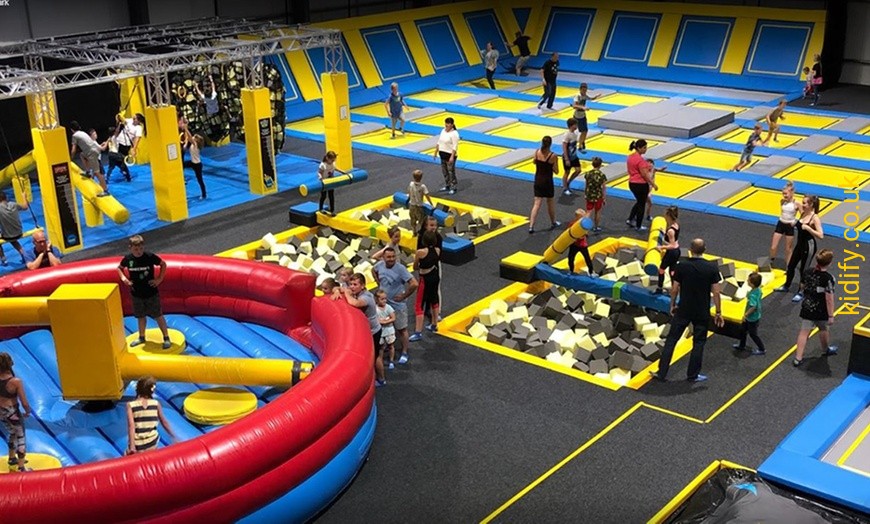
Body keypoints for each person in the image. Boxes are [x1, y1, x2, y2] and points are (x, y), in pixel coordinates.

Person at [651, 238, 724, 382]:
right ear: (705, 249)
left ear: (690, 250)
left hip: (684, 309)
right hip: (702, 311)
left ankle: (662, 372)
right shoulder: (711, 268)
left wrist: (672, 305)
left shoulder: (682, 266)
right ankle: (693, 375)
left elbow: (674, 289)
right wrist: (718, 312)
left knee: (671, 340)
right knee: (698, 342)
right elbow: (716, 292)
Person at [118, 235, 172, 350]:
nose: (139, 251)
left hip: (151, 292)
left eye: (141, 248)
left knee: (158, 315)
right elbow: (119, 268)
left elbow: (163, 264)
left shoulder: (149, 256)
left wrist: (159, 279)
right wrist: (124, 278)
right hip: (136, 293)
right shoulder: (128, 259)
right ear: (130, 248)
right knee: (140, 316)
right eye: (136, 249)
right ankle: (141, 337)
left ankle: (166, 337)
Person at [339, 273, 386, 387]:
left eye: (355, 284)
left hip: (374, 331)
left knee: (375, 357)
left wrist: (346, 292)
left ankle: (381, 378)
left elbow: (354, 303)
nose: (352, 287)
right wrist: (337, 291)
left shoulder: (366, 297)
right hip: (367, 330)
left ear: (363, 286)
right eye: (351, 284)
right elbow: (337, 288)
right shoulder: (357, 293)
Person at [373, 246, 418, 365]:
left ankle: (404, 352)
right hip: (383, 305)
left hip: (398, 305)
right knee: (384, 327)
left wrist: (404, 295)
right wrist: (378, 283)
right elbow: (374, 270)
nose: (391, 259)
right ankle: (388, 346)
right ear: (383, 257)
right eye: (388, 257)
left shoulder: (401, 269)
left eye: (393, 256)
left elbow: (414, 283)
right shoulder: (379, 265)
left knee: (402, 329)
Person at [792, 249, 837, 366]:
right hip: (821, 309)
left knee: (804, 332)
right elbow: (829, 299)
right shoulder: (828, 278)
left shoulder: (808, 272)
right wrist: (831, 315)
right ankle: (825, 349)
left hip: (808, 306)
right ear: (829, 263)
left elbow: (802, 286)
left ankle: (798, 358)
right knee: (823, 329)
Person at [776, 195, 824, 302]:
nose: (802, 205)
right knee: (791, 265)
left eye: (805, 203)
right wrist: (794, 223)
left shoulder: (814, 218)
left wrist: (808, 228)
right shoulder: (803, 212)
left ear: (811, 205)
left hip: (809, 246)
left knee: (804, 270)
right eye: (803, 202)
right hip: (800, 245)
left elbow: (821, 235)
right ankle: (787, 285)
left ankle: (801, 291)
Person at [126, 376, 176, 454]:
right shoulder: (156, 403)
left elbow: (131, 426)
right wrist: (173, 436)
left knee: (126, 454)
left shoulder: (131, 405)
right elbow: (164, 422)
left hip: (138, 445)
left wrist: (132, 446)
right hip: (152, 443)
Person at [0, 352, 31, 472]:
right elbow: (24, 402)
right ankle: (22, 467)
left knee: (12, 433)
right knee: (21, 437)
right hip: (13, 413)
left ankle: (12, 458)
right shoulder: (15, 381)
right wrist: (27, 411)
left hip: (1, 414)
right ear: (10, 364)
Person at [410, 231, 441, 342]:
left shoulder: (420, 252)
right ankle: (434, 325)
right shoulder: (437, 250)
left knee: (419, 304)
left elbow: (415, 267)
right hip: (435, 276)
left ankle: (418, 332)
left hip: (425, 278)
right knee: (434, 299)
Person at [529, 136, 560, 234]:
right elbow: (556, 171)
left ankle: (531, 226)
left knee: (537, 203)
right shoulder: (553, 156)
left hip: (538, 180)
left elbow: (534, 161)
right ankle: (553, 222)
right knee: (550, 202)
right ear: (550, 144)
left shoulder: (537, 152)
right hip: (547, 181)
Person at [69, 121, 109, 197]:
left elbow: (73, 150)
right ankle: (88, 172)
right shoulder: (82, 132)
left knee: (97, 172)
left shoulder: (75, 136)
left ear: (71, 129)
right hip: (92, 151)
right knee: (82, 155)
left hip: (92, 153)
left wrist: (70, 159)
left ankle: (105, 190)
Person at [625, 139, 657, 232]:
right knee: (641, 205)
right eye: (644, 148)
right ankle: (638, 225)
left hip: (632, 183)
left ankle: (630, 219)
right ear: (639, 148)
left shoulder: (630, 157)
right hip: (641, 184)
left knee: (639, 202)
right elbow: (644, 175)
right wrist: (653, 184)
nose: (646, 149)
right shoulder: (641, 161)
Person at [733, 272, 766, 356]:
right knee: (743, 331)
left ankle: (762, 348)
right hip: (755, 316)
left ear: (752, 284)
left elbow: (753, 307)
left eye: (748, 280)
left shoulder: (752, 295)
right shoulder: (757, 290)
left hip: (752, 318)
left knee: (753, 334)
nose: (747, 281)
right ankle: (742, 345)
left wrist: (746, 315)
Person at [654, 206, 680, 295]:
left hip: (672, 252)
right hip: (677, 251)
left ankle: (659, 288)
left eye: (665, 216)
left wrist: (661, 247)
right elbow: (674, 239)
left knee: (661, 270)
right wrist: (663, 232)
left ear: (669, 216)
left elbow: (672, 245)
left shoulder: (670, 231)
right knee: (672, 271)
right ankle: (674, 290)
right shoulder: (676, 225)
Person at [770, 181, 797, 267]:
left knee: (788, 248)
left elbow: (803, 214)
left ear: (791, 193)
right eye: (783, 194)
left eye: (786, 194)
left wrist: (796, 221)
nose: (784, 196)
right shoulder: (782, 201)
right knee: (773, 246)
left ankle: (788, 266)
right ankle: (771, 260)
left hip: (789, 226)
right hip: (781, 224)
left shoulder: (796, 203)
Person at [0, 191, 28, 266]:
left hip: (8, 236)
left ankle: (3, 259)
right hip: (19, 233)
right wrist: (24, 197)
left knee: (7, 237)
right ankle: (23, 253)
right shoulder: (13, 204)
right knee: (13, 239)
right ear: (6, 198)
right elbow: (25, 207)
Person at [433, 117, 459, 195]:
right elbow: (439, 142)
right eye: (446, 123)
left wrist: (452, 156)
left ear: (452, 125)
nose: (446, 125)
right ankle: (447, 185)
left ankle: (453, 187)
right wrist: (435, 151)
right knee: (444, 171)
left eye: (448, 124)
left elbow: (455, 146)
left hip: (449, 155)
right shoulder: (443, 131)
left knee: (451, 172)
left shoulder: (454, 134)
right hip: (442, 154)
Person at [181, 122, 207, 200]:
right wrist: (185, 129)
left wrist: (186, 128)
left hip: (197, 165)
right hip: (192, 162)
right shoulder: (193, 144)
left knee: (200, 180)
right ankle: (182, 178)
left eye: (194, 137)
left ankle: (204, 194)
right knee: (181, 165)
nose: (193, 137)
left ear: (197, 140)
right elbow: (188, 137)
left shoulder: (195, 145)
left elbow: (189, 137)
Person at [572, 83, 599, 154]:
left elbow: (590, 98)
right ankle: (579, 144)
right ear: (580, 89)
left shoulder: (584, 95)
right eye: (583, 90)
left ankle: (581, 143)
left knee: (585, 131)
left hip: (583, 116)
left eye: (585, 90)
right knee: (580, 131)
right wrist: (583, 107)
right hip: (577, 117)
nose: (584, 91)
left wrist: (595, 97)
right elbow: (574, 106)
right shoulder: (578, 96)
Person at [567, 209, 594, 276]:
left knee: (587, 258)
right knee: (571, 258)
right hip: (574, 244)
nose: (583, 219)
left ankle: (591, 272)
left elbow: (585, 233)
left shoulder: (583, 225)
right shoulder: (572, 224)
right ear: (577, 217)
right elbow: (568, 233)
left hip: (582, 245)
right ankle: (571, 270)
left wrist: (582, 236)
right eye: (581, 217)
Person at [375, 290, 397, 369]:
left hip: (389, 330)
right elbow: (376, 319)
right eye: (382, 299)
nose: (384, 301)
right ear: (377, 299)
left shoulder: (388, 307)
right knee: (381, 347)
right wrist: (383, 321)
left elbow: (393, 318)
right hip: (381, 332)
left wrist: (385, 322)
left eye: (385, 299)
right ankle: (380, 360)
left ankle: (391, 360)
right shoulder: (375, 309)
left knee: (391, 345)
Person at [561, 118, 582, 196]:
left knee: (578, 170)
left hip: (574, 156)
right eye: (575, 125)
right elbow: (564, 146)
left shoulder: (575, 134)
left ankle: (568, 182)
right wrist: (566, 159)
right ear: (571, 125)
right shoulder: (567, 135)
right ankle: (565, 188)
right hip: (568, 156)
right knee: (567, 172)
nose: (577, 126)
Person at [408, 169, 433, 235]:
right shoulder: (422, 186)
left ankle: (414, 231)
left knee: (413, 218)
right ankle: (422, 232)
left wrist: (410, 198)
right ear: (421, 177)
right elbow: (427, 195)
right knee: (421, 219)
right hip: (419, 206)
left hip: (412, 205)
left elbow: (409, 191)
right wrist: (431, 204)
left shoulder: (411, 184)